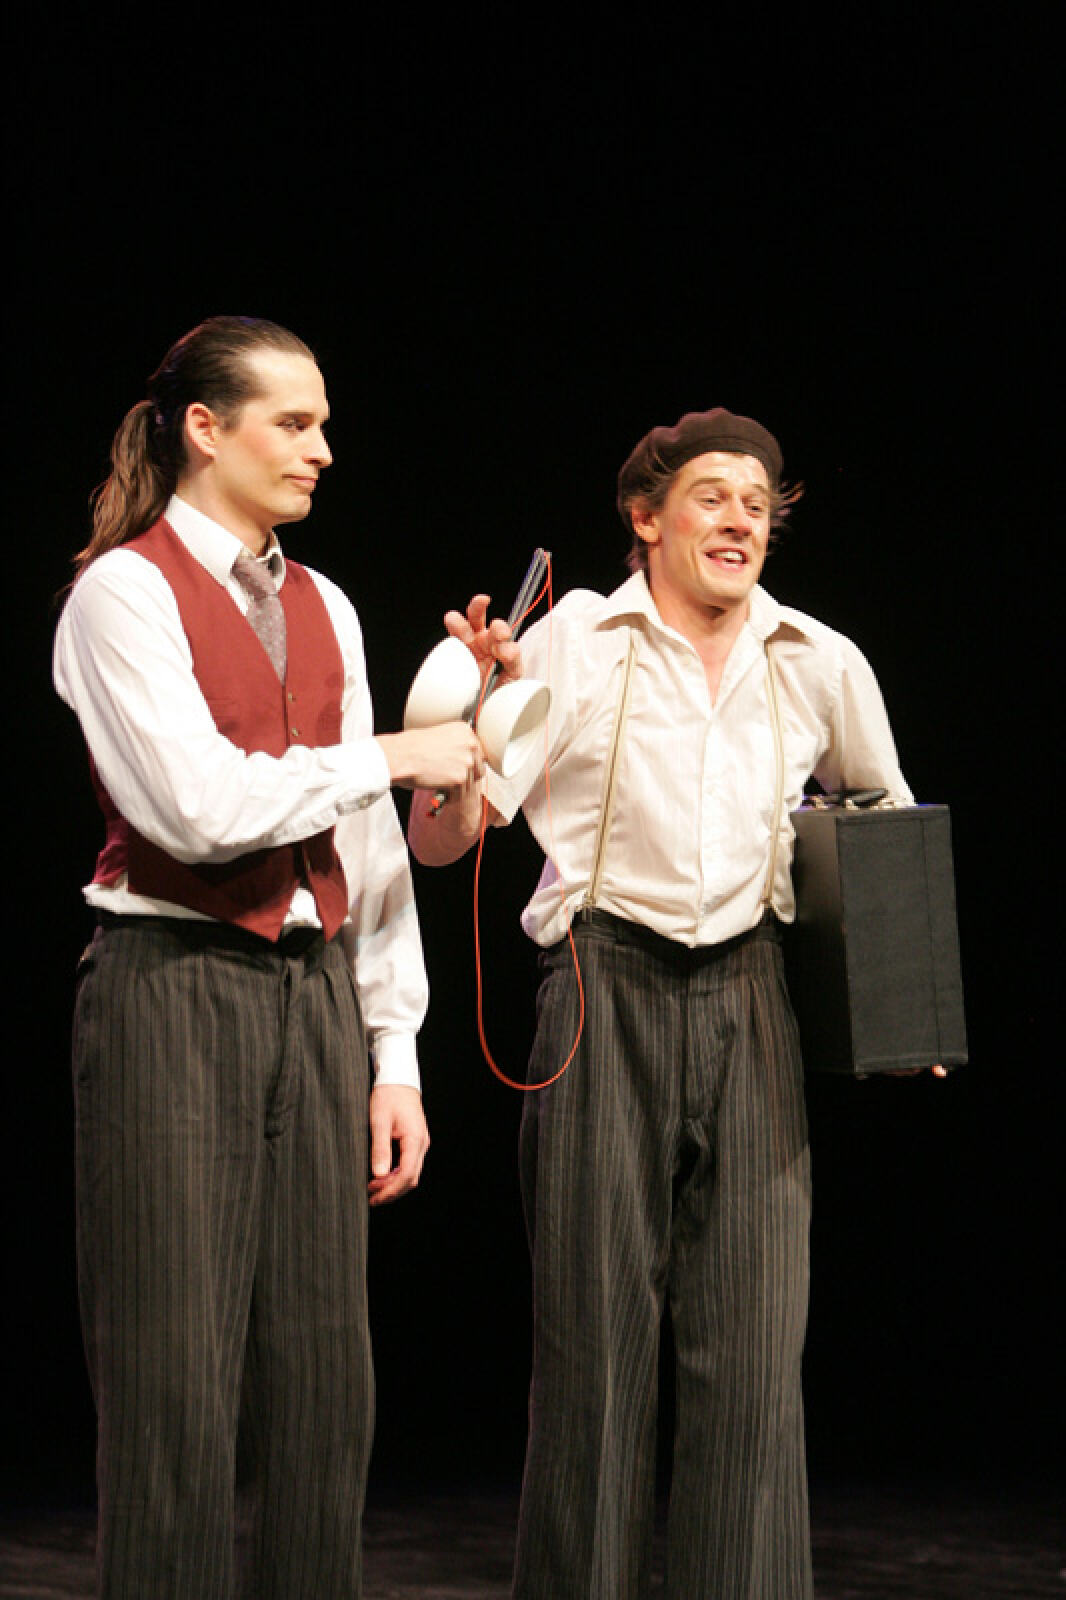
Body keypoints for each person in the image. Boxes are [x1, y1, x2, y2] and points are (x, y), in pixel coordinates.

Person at [409, 406, 940, 1599]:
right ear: (646, 518)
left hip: (753, 993)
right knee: (593, 1356)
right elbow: (445, 841)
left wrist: (903, 1001)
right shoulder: (572, 643)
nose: (739, 519)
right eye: (711, 496)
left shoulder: (816, 655)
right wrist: (458, 727)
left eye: (757, 503)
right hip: (601, 984)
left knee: (752, 1358)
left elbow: (879, 813)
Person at [53, 315, 484, 1600]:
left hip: (314, 998)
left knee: (324, 1384)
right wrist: (390, 756)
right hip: (173, 993)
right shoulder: (122, 593)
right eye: (293, 423)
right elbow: (196, 809)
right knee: (174, 1384)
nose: (322, 449)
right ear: (205, 428)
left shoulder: (325, 603)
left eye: (323, 423)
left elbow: (371, 845)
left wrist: (393, 1054)